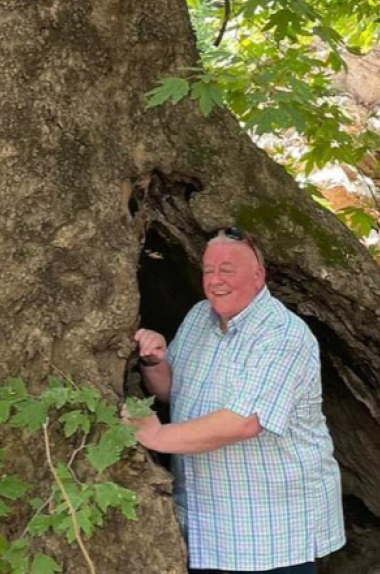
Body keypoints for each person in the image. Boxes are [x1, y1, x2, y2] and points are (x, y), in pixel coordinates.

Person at [129, 229, 344, 574]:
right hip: (206, 525)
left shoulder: (282, 335)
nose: (215, 280)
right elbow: (173, 392)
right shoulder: (200, 316)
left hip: (272, 531)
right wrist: (154, 361)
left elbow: (246, 421)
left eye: (227, 270)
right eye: (208, 270)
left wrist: (156, 437)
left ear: (259, 277)